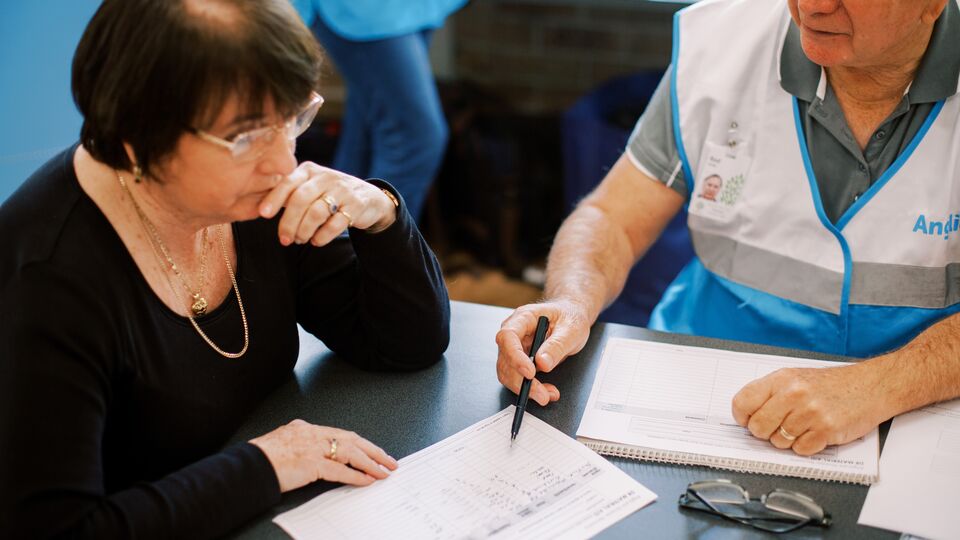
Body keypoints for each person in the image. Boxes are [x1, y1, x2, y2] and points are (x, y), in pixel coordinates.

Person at [0, 0, 450, 537]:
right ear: (139, 133)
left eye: (293, 118)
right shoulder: (47, 278)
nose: (285, 162)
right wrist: (267, 464)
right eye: (246, 137)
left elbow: (401, 345)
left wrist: (380, 215)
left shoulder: (254, 198)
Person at [497, 0, 960, 458]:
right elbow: (612, 218)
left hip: (911, 417)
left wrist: (878, 385)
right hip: (700, 397)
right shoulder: (722, 42)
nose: (813, 6)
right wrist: (571, 300)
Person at [292, 0, 467, 222]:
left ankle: (333, 247)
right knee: (416, 138)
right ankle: (381, 248)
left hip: (410, 9)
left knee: (364, 141)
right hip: (365, 12)